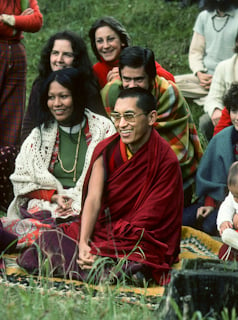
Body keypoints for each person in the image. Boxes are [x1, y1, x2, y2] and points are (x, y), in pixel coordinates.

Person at [17, 87, 183, 286]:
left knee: (141, 252)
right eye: (117, 116)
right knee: (46, 242)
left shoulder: (165, 161)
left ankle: (116, 266)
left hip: (136, 235)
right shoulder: (106, 149)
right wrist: (84, 242)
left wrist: (101, 246)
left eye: (129, 117)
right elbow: (93, 199)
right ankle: (113, 269)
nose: (122, 125)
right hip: (103, 227)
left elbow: (150, 217)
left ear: (151, 117)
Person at [2, 68, 116, 248]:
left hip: (89, 206)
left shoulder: (103, 129)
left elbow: (113, 178)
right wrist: (54, 197)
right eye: (51, 97)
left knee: (92, 224)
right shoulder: (39, 135)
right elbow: (23, 181)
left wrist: (77, 201)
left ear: (77, 96)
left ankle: (51, 238)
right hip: (48, 206)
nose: (56, 103)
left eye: (63, 96)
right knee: (39, 220)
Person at [0, 30, 107, 214]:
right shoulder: (40, 85)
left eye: (67, 54)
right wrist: (35, 155)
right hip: (43, 152)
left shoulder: (87, 90)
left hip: (80, 167)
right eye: (55, 53)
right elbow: (28, 128)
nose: (59, 59)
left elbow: (98, 133)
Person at [101, 46, 203, 207]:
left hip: (169, 173)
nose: (132, 85)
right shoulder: (111, 93)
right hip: (128, 174)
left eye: (139, 79)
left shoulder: (167, 93)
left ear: (151, 77)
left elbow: (173, 150)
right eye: (127, 79)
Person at [183, 82, 238, 236]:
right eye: (234, 111)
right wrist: (209, 204)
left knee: (210, 226)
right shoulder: (222, 138)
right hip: (219, 202)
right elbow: (211, 177)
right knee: (182, 219)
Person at [174, 0, 238, 105]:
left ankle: (213, 97)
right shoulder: (203, 17)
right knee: (168, 84)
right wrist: (199, 73)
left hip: (231, 78)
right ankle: (212, 97)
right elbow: (195, 52)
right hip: (205, 78)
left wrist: (220, 79)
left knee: (237, 89)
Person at [88, 16, 174, 89]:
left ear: (122, 41)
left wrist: (127, 74)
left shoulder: (137, 58)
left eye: (111, 39)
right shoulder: (96, 71)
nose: (106, 46)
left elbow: (170, 80)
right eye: (100, 41)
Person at [0, 0, 43, 146]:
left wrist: (9, 19)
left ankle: (7, 160)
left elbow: (36, 22)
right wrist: (20, 22)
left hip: (16, 52)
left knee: (13, 113)